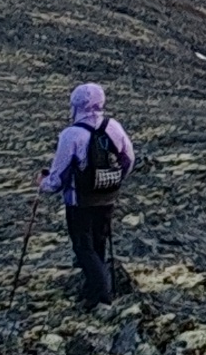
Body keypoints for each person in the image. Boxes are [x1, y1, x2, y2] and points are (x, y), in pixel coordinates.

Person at [40, 83, 138, 309]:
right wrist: (114, 179)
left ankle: (101, 297)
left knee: (83, 247)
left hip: (79, 200)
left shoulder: (71, 135)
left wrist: (43, 184)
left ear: (75, 106)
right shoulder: (114, 127)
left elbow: (58, 177)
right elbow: (129, 158)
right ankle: (92, 289)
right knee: (98, 242)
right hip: (108, 196)